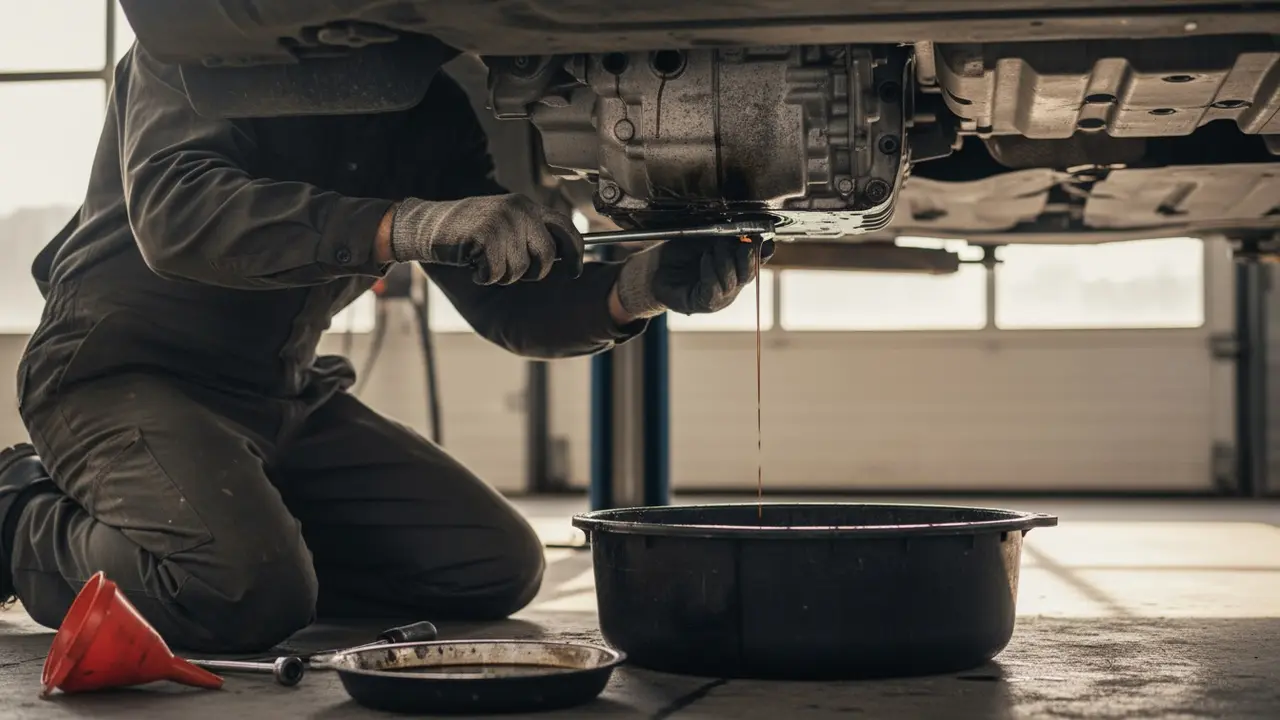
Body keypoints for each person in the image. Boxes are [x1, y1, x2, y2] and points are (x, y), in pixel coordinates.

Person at [0, 43, 770, 653]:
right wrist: (408, 225)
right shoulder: (199, 47)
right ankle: (17, 516)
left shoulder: (427, 109)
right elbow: (180, 212)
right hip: (121, 373)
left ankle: (241, 529)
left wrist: (640, 285)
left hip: (281, 392)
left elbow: (510, 304)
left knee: (494, 566)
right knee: (242, 596)